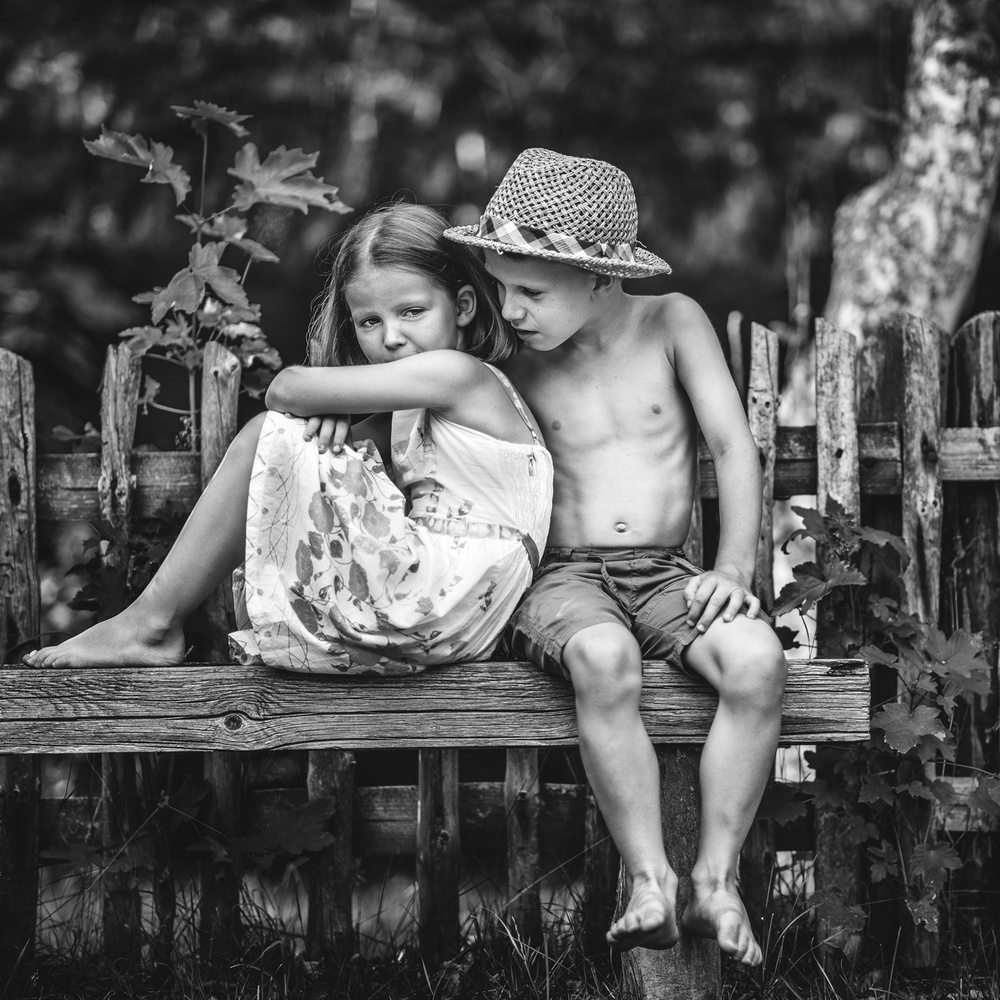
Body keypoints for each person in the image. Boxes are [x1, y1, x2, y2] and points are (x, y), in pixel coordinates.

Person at [443, 149, 787, 965]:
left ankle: (716, 881)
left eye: (531, 292)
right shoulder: (507, 354)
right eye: (501, 287)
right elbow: (426, 404)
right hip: (562, 577)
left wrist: (732, 568)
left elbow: (733, 447)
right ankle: (648, 880)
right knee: (605, 659)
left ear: (601, 277)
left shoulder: (672, 322)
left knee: (758, 662)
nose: (511, 309)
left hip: (668, 574)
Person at [23, 203, 552, 676]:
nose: (392, 337)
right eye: (369, 321)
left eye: (412, 312)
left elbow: (286, 388)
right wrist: (332, 413)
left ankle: (152, 621)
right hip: (461, 607)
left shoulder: (459, 374)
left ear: (463, 306)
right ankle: (151, 622)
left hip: (450, 591)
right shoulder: (430, 397)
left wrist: (325, 404)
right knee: (296, 442)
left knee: (266, 433)